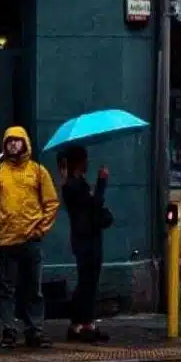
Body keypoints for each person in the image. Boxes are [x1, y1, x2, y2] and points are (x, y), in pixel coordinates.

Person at [0, 125, 59, 347]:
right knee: (7, 290)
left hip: (31, 239)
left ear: (25, 143)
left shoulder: (37, 171)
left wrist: (40, 229)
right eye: (9, 141)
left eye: (17, 140)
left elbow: (51, 202)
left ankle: (34, 330)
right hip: (6, 241)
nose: (13, 144)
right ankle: (9, 330)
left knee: (33, 289)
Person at [59, 144, 112, 342]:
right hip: (85, 238)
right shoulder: (73, 185)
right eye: (85, 159)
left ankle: (87, 322)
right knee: (86, 281)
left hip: (89, 236)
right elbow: (93, 205)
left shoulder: (77, 182)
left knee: (90, 281)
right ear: (78, 162)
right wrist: (102, 182)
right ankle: (78, 324)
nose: (88, 162)